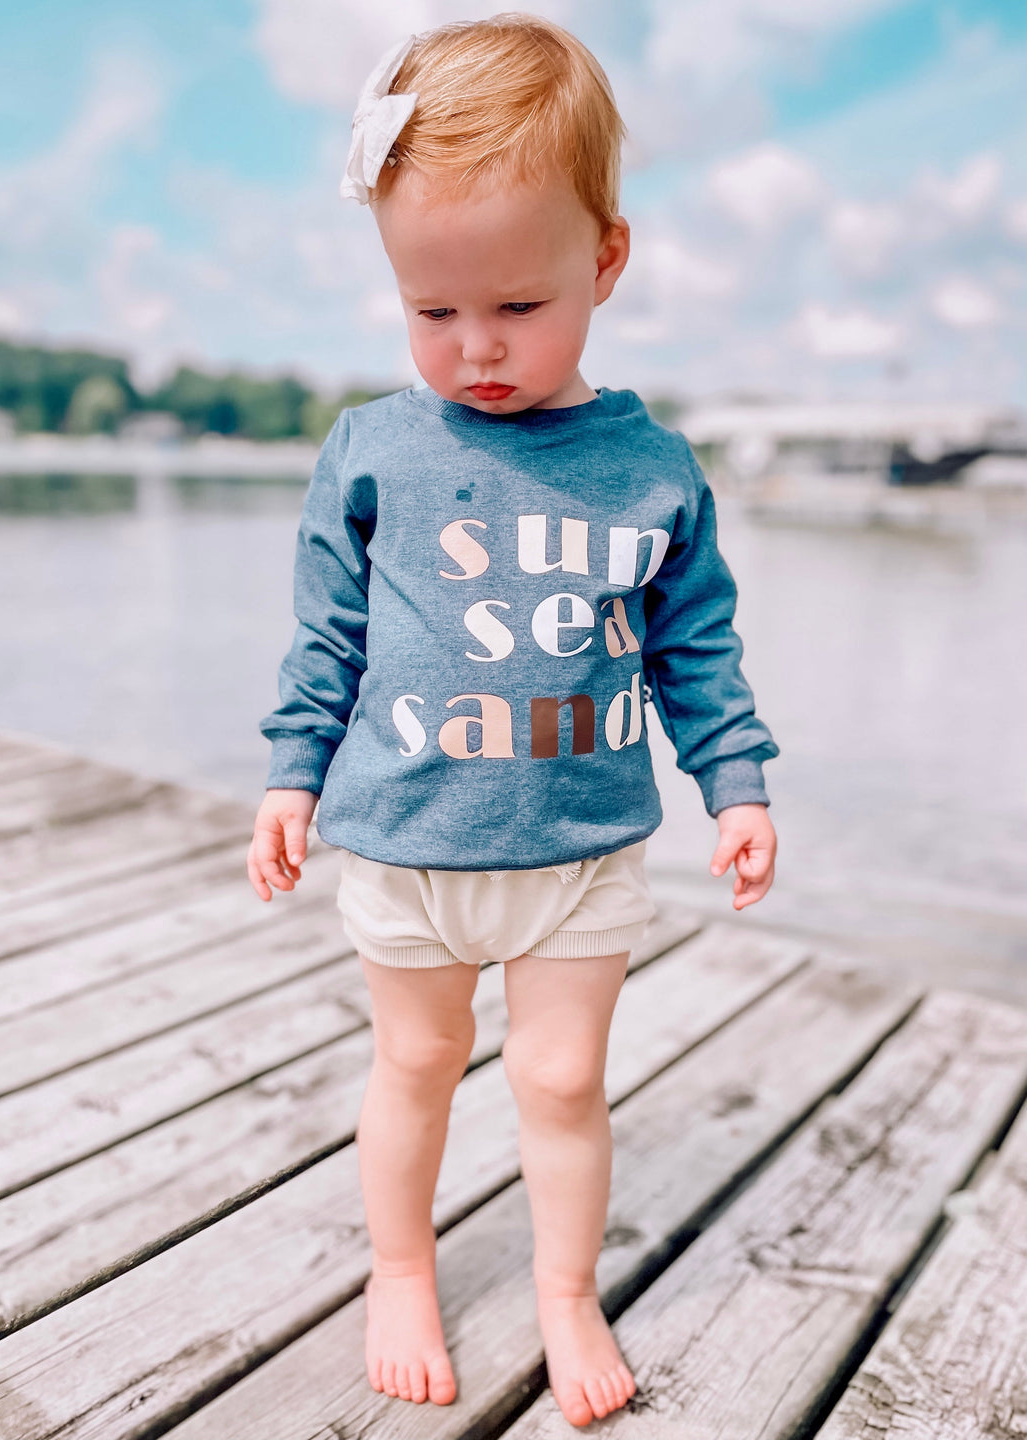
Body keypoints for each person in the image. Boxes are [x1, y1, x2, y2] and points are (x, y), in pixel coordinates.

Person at [248, 14, 778, 1428]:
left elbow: (692, 642)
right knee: (414, 1062)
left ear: (605, 259)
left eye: (519, 310)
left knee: (563, 1081)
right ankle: (402, 1266)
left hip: (583, 847)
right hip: (408, 844)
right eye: (434, 314)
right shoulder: (372, 450)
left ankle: (562, 1290)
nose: (477, 349)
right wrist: (292, 777)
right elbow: (330, 638)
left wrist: (735, 782)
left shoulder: (649, 468)